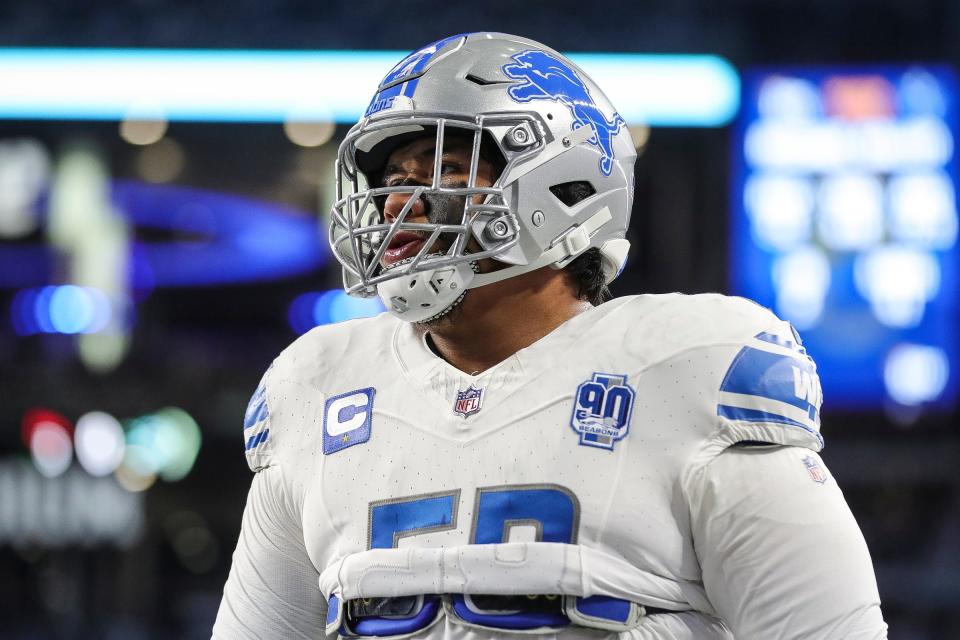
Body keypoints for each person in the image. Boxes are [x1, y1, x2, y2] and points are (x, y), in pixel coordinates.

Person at [213, 33, 887, 639]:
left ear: (563, 186)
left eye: (447, 171)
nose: (396, 204)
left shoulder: (688, 370)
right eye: (394, 180)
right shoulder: (316, 390)